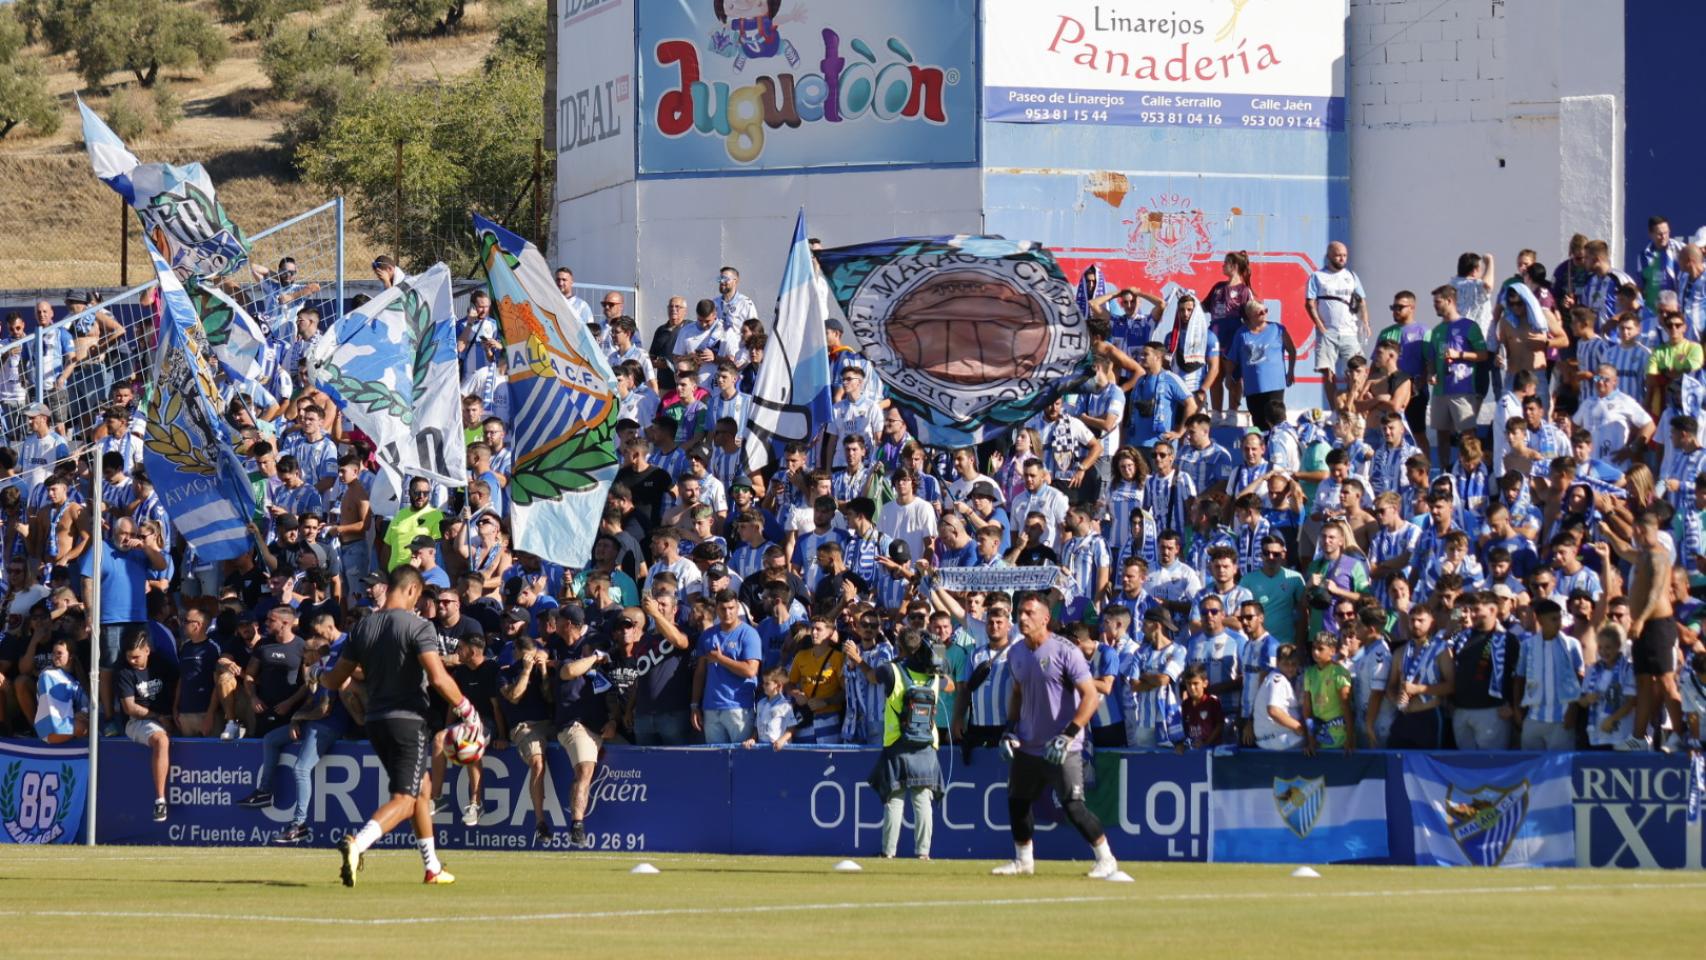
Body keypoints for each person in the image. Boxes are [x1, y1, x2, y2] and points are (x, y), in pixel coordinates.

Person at [320, 566, 484, 886]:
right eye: (420, 597)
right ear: (411, 590)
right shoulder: (418, 626)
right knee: (406, 798)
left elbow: (336, 679)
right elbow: (437, 677)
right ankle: (358, 844)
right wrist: (468, 710)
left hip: (375, 721)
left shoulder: (363, 626)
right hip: (407, 720)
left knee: (421, 790)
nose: (420, 604)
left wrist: (316, 675)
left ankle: (432, 867)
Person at [991, 593, 1121, 880]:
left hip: (1063, 745)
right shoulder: (1016, 653)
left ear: (1045, 618)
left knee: (1073, 805)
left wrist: (1069, 734)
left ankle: (1106, 858)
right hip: (1028, 743)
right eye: (1019, 613)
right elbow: (1017, 694)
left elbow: (1089, 695)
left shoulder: (1065, 651)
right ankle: (1023, 860)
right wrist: (1009, 729)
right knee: (1018, 800)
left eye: (1028, 613)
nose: (1021, 618)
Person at [868, 628, 944, 860]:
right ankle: (923, 853)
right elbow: (949, 681)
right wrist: (937, 651)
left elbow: (871, 676)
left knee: (894, 799)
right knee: (922, 801)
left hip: (897, 743)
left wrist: (858, 660)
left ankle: (888, 852)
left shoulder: (891, 671)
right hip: (925, 746)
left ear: (900, 646)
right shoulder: (935, 677)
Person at [113, 631, 174, 822]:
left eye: (136, 656)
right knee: (161, 740)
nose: (132, 661)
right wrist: (159, 716)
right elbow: (130, 708)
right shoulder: (124, 671)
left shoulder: (162, 663)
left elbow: (180, 681)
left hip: (167, 716)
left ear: (147, 650)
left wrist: (174, 713)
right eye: (129, 657)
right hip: (137, 721)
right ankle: (160, 801)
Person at [692, 589, 761, 744]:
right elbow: (700, 673)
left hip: (739, 706)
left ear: (737, 608)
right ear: (716, 609)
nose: (727, 613)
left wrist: (720, 659)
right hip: (711, 706)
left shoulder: (748, 634)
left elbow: (751, 670)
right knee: (715, 760)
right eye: (723, 609)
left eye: (731, 608)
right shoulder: (707, 635)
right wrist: (695, 704)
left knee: (741, 759)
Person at [1252, 643, 1304, 750]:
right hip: (1279, 739)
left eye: (1293, 664)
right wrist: (1300, 728)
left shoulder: (1273, 678)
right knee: (1318, 740)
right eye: (1285, 664)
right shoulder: (1278, 679)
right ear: (1277, 663)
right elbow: (1274, 711)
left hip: (1269, 739)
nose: (1290, 668)